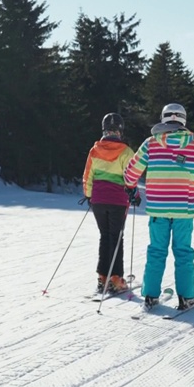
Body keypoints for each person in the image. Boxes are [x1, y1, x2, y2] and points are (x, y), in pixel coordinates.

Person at [123, 103, 194, 310]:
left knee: (156, 251)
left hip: (158, 210)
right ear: (183, 120)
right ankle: (186, 297)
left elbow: (132, 171)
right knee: (183, 252)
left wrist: (131, 187)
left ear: (164, 118)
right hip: (183, 211)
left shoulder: (150, 143)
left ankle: (150, 295)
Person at [82, 112, 138, 294]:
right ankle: (116, 279)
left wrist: (89, 195)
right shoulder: (126, 152)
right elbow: (130, 177)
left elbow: (88, 175)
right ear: (120, 131)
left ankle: (102, 277)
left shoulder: (94, 150)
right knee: (116, 237)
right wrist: (134, 194)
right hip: (117, 200)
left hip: (98, 200)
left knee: (104, 236)